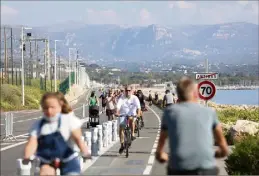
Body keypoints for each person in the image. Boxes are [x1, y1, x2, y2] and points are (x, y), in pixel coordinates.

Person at [155, 77, 229, 175]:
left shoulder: (170, 112)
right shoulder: (210, 112)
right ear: (195, 94)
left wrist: (161, 155)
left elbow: (161, 144)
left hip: (179, 169)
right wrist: (217, 153)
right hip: (206, 169)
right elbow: (223, 147)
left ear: (179, 95)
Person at [23, 92, 90, 175]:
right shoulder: (38, 125)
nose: (49, 111)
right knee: (44, 172)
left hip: (68, 158)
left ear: (60, 106)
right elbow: (32, 143)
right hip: (47, 160)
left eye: (52, 107)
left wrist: (85, 152)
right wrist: (27, 156)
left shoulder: (69, 120)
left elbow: (78, 139)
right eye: (46, 108)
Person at [115, 85, 141, 154]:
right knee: (121, 128)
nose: (128, 92)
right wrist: (117, 112)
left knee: (131, 120)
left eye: (129, 90)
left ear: (131, 91)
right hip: (123, 115)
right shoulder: (121, 98)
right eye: (126, 91)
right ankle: (122, 145)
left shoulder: (135, 98)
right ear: (124, 91)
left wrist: (138, 114)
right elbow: (118, 106)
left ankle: (132, 134)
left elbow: (138, 107)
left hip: (132, 115)